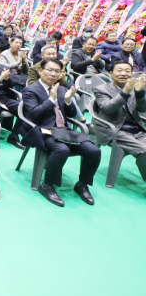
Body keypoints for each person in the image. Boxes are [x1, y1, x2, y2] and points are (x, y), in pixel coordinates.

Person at [21, 58, 101, 207]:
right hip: (43, 130)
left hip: (64, 130)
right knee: (61, 150)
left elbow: (69, 114)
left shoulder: (62, 89)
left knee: (94, 150)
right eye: (50, 70)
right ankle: (46, 186)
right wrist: (51, 100)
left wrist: (69, 101)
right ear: (40, 71)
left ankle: (82, 184)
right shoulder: (30, 90)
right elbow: (32, 115)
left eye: (57, 71)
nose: (53, 74)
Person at [93, 62, 146, 188]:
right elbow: (108, 108)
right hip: (115, 130)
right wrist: (125, 92)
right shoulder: (101, 89)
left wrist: (139, 93)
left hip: (136, 129)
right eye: (120, 70)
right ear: (111, 74)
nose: (123, 73)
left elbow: (143, 109)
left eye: (127, 71)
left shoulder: (135, 87)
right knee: (144, 151)